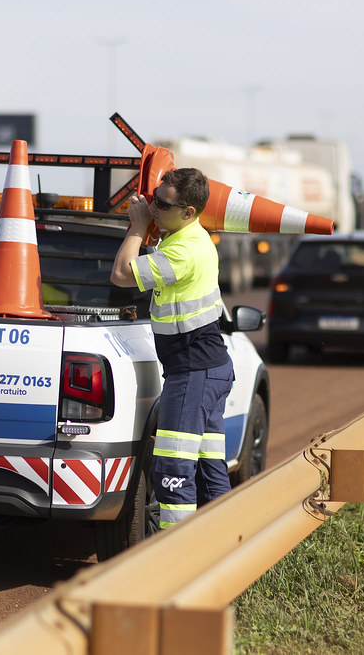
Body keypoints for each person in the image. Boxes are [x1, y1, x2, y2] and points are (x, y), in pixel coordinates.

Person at [110, 167, 234, 529]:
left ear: (188, 212)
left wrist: (135, 227)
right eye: (152, 198)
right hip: (208, 369)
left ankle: (173, 561)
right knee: (210, 472)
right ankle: (225, 548)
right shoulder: (189, 238)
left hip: (193, 372)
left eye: (161, 204)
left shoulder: (183, 252)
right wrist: (150, 223)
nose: (151, 208)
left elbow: (120, 275)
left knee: (172, 470)